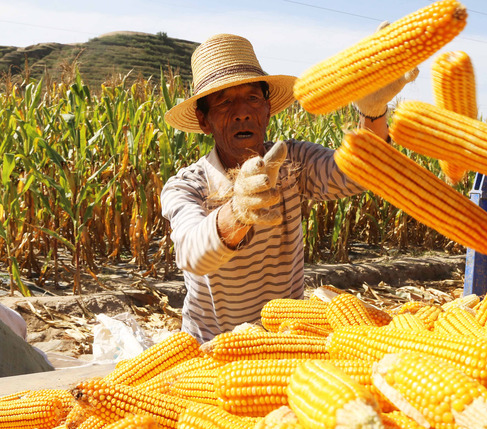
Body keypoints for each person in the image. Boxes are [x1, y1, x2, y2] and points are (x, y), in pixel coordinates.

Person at [162, 33, 418, 343]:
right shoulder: (186, 185)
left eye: (252, 98)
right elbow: (191, 254)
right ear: (204, 121)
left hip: (287, 341)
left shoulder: (291, 160)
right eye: (225, 101)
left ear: (267, 108)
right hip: (213, 350)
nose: (242, 111)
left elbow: (358, 175)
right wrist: (239, 210)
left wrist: (373, 113)